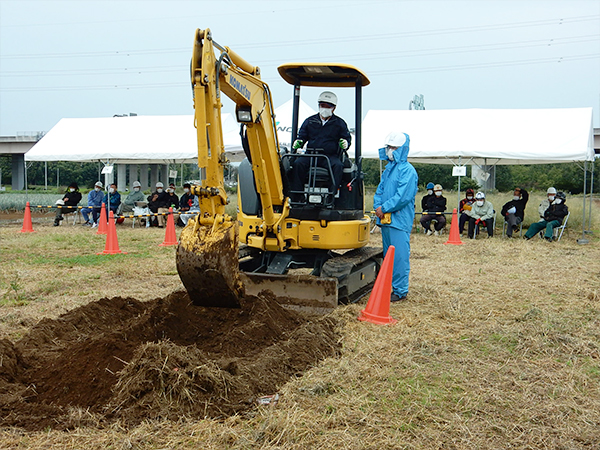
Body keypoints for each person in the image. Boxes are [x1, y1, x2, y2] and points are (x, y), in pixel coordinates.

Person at [373, 131, 418, 302]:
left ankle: (400, 291)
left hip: (399, 220)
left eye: (393, 147)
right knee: (388, 255)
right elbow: (380, 190)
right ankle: (388, 285)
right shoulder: (389, 169)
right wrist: (378, 206)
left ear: (402, 149)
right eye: (389, 147)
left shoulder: (408, 171)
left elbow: (403, 196)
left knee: (399, 256)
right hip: (386, 219)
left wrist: (383, 207)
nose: (390, 150)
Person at [289, 91, 351, 202]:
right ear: (319, 106)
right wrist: (299, 141)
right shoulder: (310, 121)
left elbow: (346, 138)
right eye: (323, 106)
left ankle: (331, 196)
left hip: (329, 156)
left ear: (334, 108)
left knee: (338, 166)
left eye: (328, 106)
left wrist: (345, 143)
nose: (325, 109)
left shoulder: (339, 123)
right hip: (311, 154)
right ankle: (297, 196)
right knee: (297, 165)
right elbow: (302, 136)